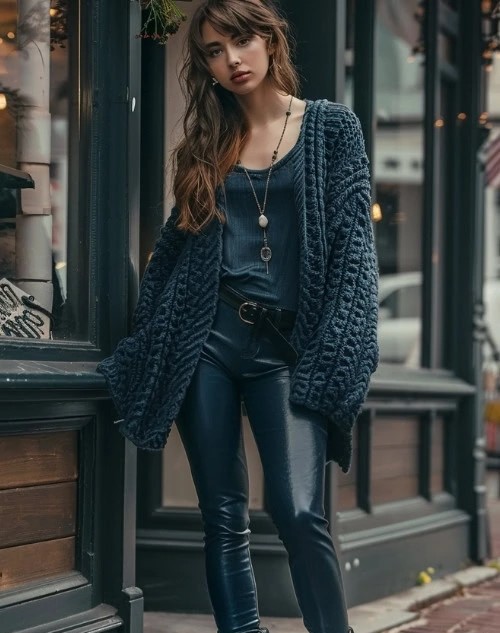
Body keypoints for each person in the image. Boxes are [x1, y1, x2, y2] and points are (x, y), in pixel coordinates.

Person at [97, 1, 379, 631]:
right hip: (207, 343)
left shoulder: (333, 129)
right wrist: (153, 331)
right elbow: (174, 250)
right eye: (213, 52)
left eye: (241, 42)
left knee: (300, 511)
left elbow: (354, 254)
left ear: (270, 40)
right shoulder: (206, 143)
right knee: (223, 515)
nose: (231, 60)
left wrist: (337, 353)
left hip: (288, 347)